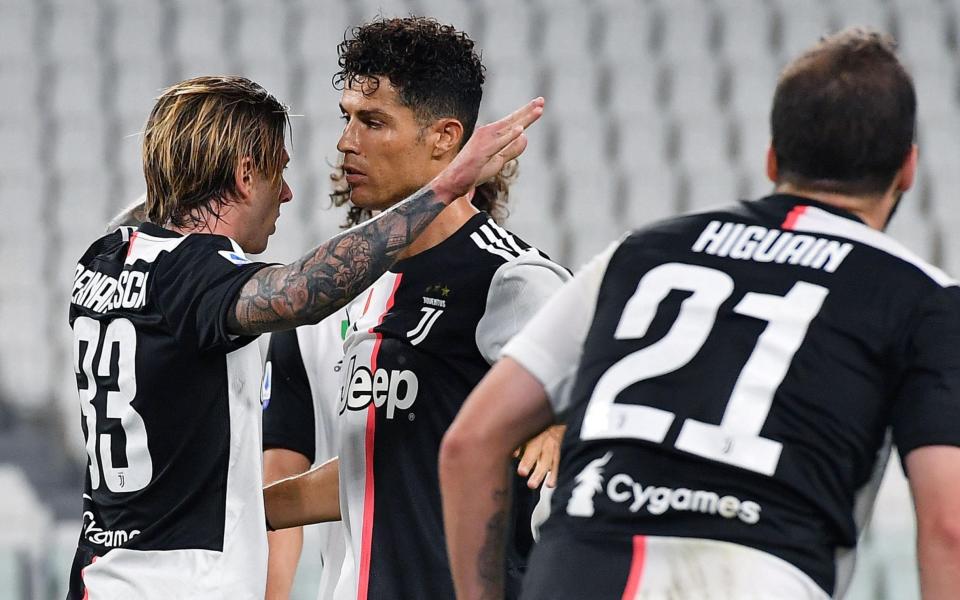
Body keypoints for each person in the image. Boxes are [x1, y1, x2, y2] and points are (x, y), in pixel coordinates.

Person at [440, 28, 960, 600]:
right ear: (908, 168)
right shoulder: (926, 299)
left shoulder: (638, 252)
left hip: (580, 566)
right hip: (759, 572)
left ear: (772, 159)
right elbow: (948, 526)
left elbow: (470, 441)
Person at [66, 73, 543, 599]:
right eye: (279, 172)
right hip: (181, 585)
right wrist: (445, 186)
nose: (287, 194)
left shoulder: (107, 258)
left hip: (102, 574)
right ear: (246, 174)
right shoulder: (198, 277)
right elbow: (301, 292)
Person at [261, 17, 569, 600]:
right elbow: (378, 471)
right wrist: (238, 512)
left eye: (373, 122)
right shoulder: (358, 287)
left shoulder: (509, 278)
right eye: (346, 117)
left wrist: (560, 418)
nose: (346, 141)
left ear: (444, 138)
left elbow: (604, 392)